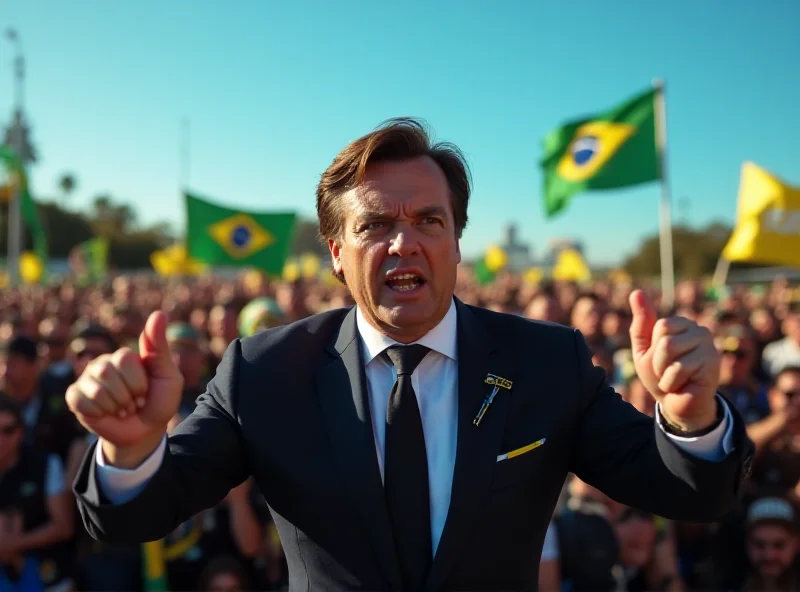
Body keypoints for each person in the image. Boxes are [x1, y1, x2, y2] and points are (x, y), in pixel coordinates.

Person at [68, 118, 754, 591]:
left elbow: (687, 493)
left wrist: (692, 417)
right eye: (375, 226)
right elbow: (135, 516)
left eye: (429, 220)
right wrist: (129, 452)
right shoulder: (265, 373)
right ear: (336, 254)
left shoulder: (547, 363)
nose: (406, 243)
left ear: (457, 241)